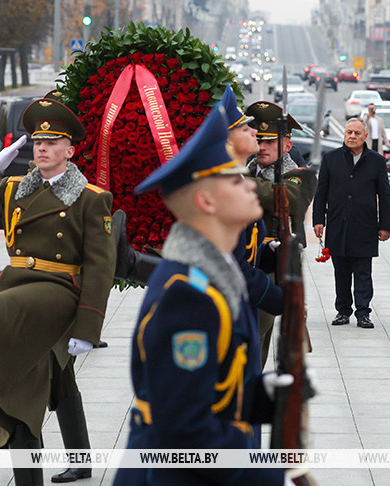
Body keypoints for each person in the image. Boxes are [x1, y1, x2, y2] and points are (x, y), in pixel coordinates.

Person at [0, 98, 116, 485]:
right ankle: (81, 462)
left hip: (59, 292)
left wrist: (88, 328)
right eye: (37, 142)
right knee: (57, 380)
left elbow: (100, 268)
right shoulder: (15, 190)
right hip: (18, 285)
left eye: (53, 142)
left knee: (0, 310)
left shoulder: (91, 199)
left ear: (71, 150)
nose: (42, 148)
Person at [113, 104, 288, 485]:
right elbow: (185, 434)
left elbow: (213, 390)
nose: (249, 185)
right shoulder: (188, 297)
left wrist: (267, 394)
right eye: (235, 181)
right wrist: (267, 476)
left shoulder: (214, 277)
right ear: (206, 202)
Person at [245, 101, 317, 366]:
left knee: (254, 335)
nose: (261, 147)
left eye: (269, 142)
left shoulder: (300, 175)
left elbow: (289, 199)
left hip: (273, 266)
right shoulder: (248, 168)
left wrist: (240, 181)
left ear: (287, 145)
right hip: (245, 263)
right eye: (258, 140)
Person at [313, 118, 390, 329]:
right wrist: (318, 220)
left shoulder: (376, 161)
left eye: (357, 133)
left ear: (365, 136)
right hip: (338, 225)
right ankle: (343, 310)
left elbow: (384, 195)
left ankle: (363, 312)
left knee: (363, 272)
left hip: (365, 226)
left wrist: (385, 225)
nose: (352, 136)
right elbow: (321, 193)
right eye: (349, 132)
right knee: (341, 272)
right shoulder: (331, 159)